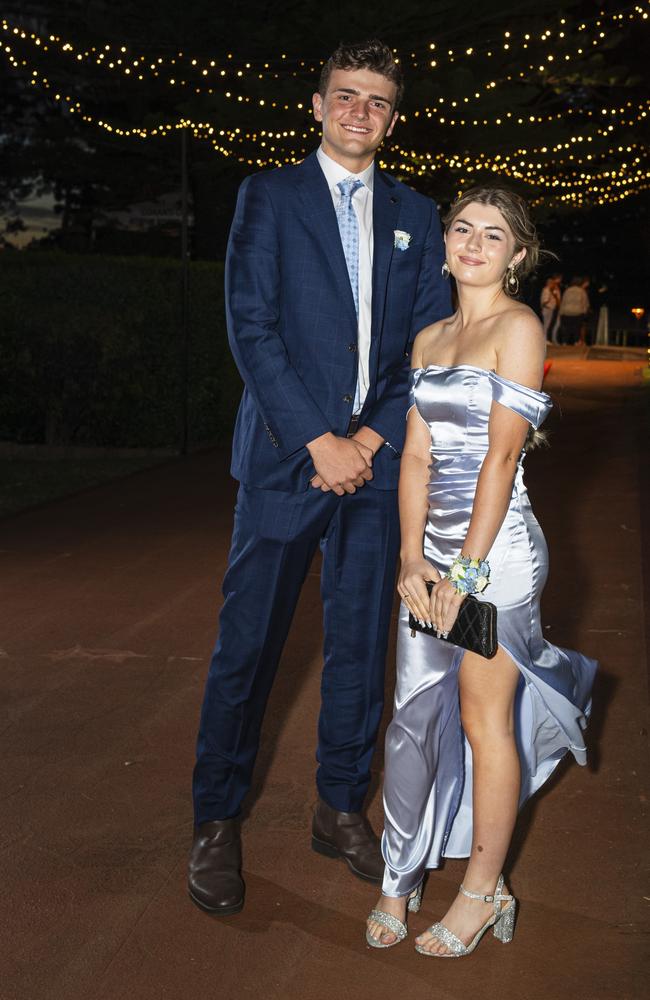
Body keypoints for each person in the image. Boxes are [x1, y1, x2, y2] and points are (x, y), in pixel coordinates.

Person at [189, 39, 451, 915]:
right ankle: (216, 821)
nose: (359, 112)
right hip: (283, 459)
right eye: (346, 95)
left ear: (393, 116)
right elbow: (251, 328)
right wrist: (318, 441)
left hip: (378, 472)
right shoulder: (268, 196)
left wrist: (372, 438)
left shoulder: (418, 211)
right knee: (249, 646)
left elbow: (431, 347)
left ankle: (340, 808)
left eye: (376, 101)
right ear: (317, 104)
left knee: (357, 648)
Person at [365, 187, 597, 956]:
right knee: (411, 715)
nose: (472, 242)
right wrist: (409, 559)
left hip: (492, 561)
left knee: (477, 715)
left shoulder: (519, 326)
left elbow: (499, 457)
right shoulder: (429, 338)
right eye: (462, 228)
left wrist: (462, 572)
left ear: (518, 256)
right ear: (445, 243)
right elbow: (419, 457)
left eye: (492, 234)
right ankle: (398, 877)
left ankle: (480, 887)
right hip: (429, 557)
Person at [558, 276, 590, 345]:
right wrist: (584, 312)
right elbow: (585, 303)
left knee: (567, 328)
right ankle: (576, 342)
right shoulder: (582, 291)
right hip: (577, 312)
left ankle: (564, 342)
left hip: (566, 312)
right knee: (577, 328)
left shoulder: (567, 290)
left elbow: (563, 301)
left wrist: (561, 312)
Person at [539, 273, 561, 343]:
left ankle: (551, 339)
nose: (553, 283)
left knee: (551, 325)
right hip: (547, 309)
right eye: (551, 282)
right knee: (546, 325)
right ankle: (544, 340)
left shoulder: (553, 289)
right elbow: (544, 302)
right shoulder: (546, 290)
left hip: (552, 309)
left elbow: (557, 300)